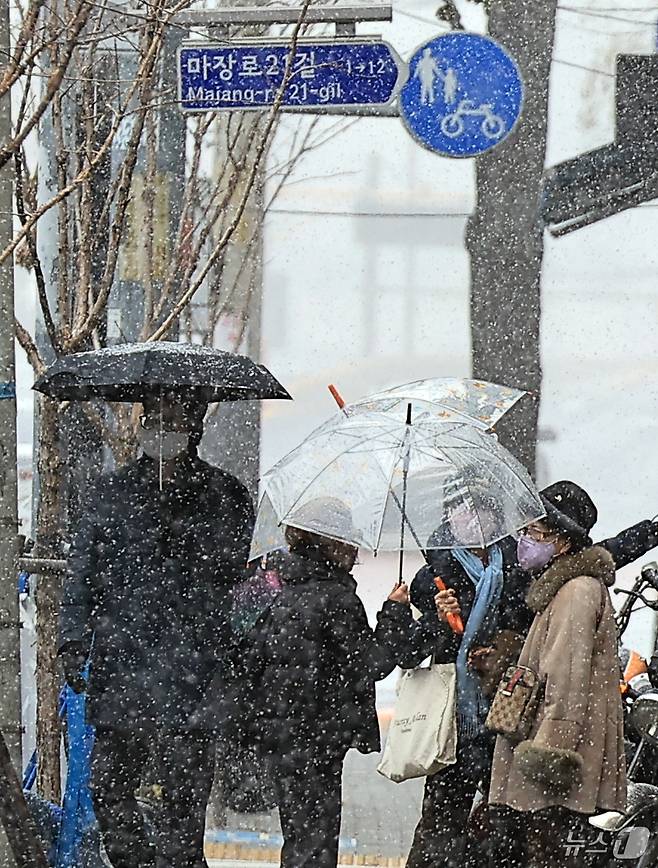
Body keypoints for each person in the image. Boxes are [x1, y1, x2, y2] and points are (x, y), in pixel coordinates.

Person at [387, 482, 658, 868]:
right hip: (456, 721)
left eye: (478, 507)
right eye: (458, 508)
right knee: (441, 827)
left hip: (508, 717)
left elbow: (596, 556)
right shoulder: (435, 576)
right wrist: (435, 620)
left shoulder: (521, 567)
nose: (468, 517)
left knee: (506, 826)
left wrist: (501, 652)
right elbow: (406, 653)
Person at [58, 394, 254, 868]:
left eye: (173, 420)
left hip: (195, 675)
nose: (161, 430)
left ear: (195, 428)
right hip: (124, 668)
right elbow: (82, 572)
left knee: (184, 807)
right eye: (154, 419)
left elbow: (240, 580)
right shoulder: (109, 493)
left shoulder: (224, 496)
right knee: (109, 787)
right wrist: (73, 638)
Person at [231, 498, 413, 868]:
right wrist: (394, 612)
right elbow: (373, 663)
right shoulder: (336, 598)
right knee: (316, 840)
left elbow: (247, 656)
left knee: (299, 834)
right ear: (332, 541)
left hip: (281, 732)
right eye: (348, 538)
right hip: (320, 735)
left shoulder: (274, 587)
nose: (355, 547)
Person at [488, 482, 625, 868]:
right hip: (554, 741)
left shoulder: (576, 592)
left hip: (557, 752)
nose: (525, 541)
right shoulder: (563, 588)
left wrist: (551, 752)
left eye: (535, 532)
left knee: (547, 849)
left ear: (563, 542)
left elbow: (566, 680)